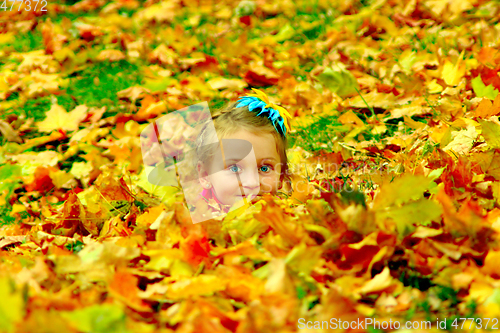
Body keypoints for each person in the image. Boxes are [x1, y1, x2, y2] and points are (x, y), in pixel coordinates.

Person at [191, 89, 292, 222]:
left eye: (264, 168)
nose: (252, 183)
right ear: (206, 175)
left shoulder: (283, 218)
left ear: (281, 177)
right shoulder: (198, 218)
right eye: (234, 168)